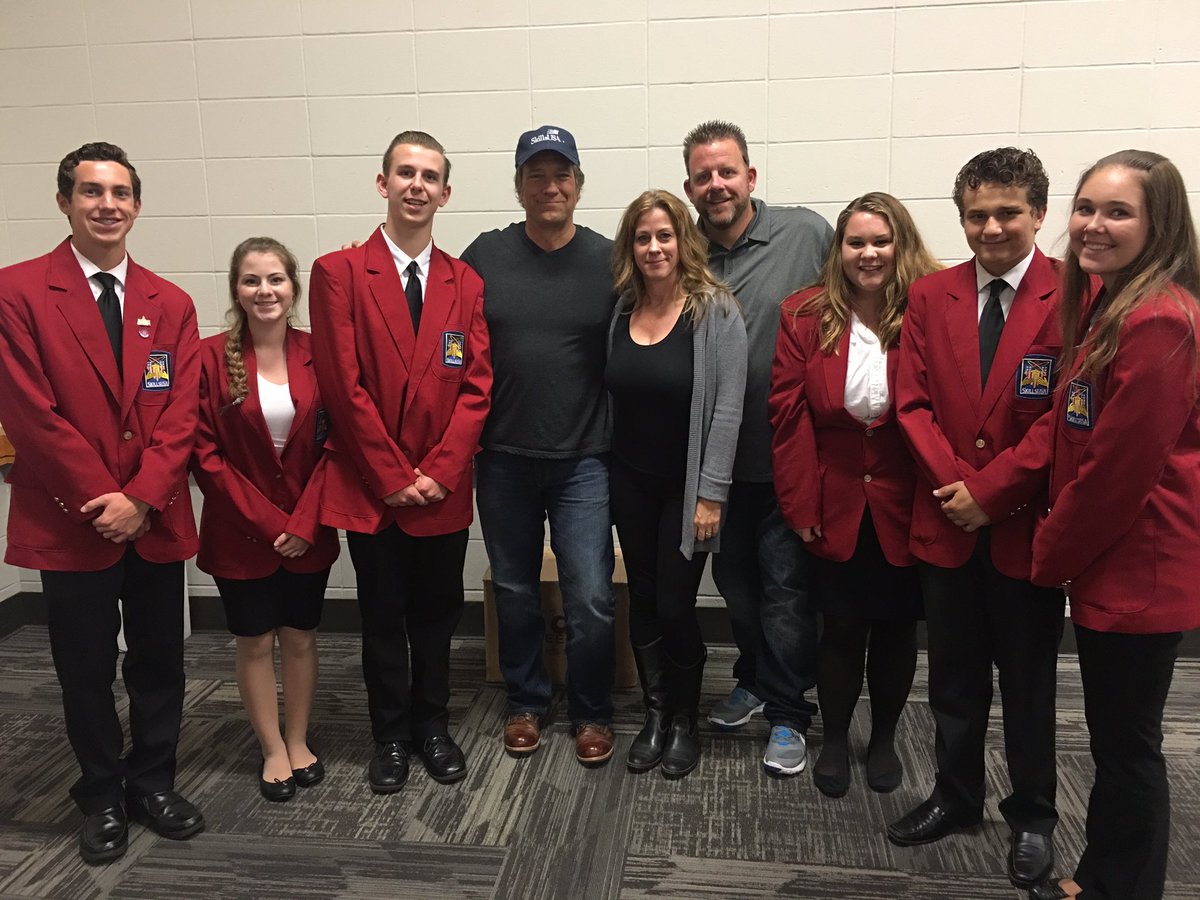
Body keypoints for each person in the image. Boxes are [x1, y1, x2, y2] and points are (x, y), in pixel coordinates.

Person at [0, 142, 204, 862]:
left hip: (153, 516)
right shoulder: (18, 292)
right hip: (72, 519)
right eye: (91, 192)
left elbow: (181, 413)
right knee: (85, 667)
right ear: (64, 202)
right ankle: (101, 793)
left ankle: (152, 781)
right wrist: (104, 499)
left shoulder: (170, 303)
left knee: (159, 660)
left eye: (120, 193)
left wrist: (142, 498)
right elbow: (31, 415)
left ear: (137, 206)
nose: (107, 205)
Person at [890, 148, 1064, 890]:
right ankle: (956, 796)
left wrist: (990, 492)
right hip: (947, 524)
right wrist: (956, 489)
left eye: (1007, 213)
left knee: (1028, 684)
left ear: (1039, 214)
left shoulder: (1075, 294)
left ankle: (1033, 815)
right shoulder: (932, 295)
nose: (990, 228)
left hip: (1024, 528)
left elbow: (1066, 417)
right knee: (954, 681)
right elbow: (911, 404)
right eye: (975, 215)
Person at [1028, 151, 1200, 900]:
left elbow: (1116, 474)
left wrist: (1048, 553)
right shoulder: (1113, 302)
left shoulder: (1158, 320)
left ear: (1160, 224)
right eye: (1086, 207)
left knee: (1128, 749)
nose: (1093, 225)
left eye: (1118, 212)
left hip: (1139, 567)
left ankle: (1118, 888)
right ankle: (1104, 878)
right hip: (1113, 558)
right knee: (1117, 740)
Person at [310, 131, 491, 793]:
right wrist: (391, 476)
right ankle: (389, 734)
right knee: (383, 617)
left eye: (430, 176)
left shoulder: (465, 282)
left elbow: (477, 387)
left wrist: (439, 471)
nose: (418, 185)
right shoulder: (339, 273)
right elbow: (342, 386)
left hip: (442, 487)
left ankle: (432, 725)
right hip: (373, 487)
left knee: (438, 617)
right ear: (383, 184)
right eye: (406, 173)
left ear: (446, 193)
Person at [769, 193, 939, 798]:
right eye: (856, 242)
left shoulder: (929, 310)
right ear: (838, 249)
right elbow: (788, 417)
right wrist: (800, 505)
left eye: (881, 241)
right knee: (839, 627)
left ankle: (884, 737)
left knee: (896, 629)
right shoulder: (803, 314)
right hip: (834, 498)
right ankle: (837, 738)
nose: (869, 254)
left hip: (908, 500)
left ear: (901, 246)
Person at [460, 126, 618, 766]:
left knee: (591, 596)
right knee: (516, 590)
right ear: (519, 186)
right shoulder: (485, 255)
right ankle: (526, 700)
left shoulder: (610, 260)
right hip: (503, 457)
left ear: (578, 185)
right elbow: (444, 326)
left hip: (585, 459)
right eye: (536, 175)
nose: (550, 187)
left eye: (561, 175)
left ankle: (591, 710)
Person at [681, 120, 833, 776]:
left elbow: (861, 300)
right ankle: (755, 678)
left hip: (787, 461)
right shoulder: (681, 252)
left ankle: (790, 712)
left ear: (750, 176)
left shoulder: (806, 235)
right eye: (703, 176)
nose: (716, 184)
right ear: (690, 187)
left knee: (786, 592)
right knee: (736, 589)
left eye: (726, 172)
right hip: (714, 469)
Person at [191, 237, 339, 802]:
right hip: (240, 533)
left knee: (300, 637)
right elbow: (204, 454)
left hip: (309, 531)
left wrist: (304, 521)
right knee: (254, 642)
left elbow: (339, 447)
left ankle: (298, 739)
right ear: (236, 290)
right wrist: (269, 522)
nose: (264, 290)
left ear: (293, 288)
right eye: (251, 280)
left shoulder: (321, 352)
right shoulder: (209, 358)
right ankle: (272, 747)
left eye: (275, 279)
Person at [606, 190, 747, 778]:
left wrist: (712, 494)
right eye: (643, 237)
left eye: (665, 235)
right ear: (631, 247)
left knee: (674, 604)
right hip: (630, 483)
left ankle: (685, 718)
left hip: (687, 492)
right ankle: (656, 713)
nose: (654, 247)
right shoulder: (621, 309)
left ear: (683, 241)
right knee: (641, 599)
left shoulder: (715, 310)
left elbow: (729, 409)